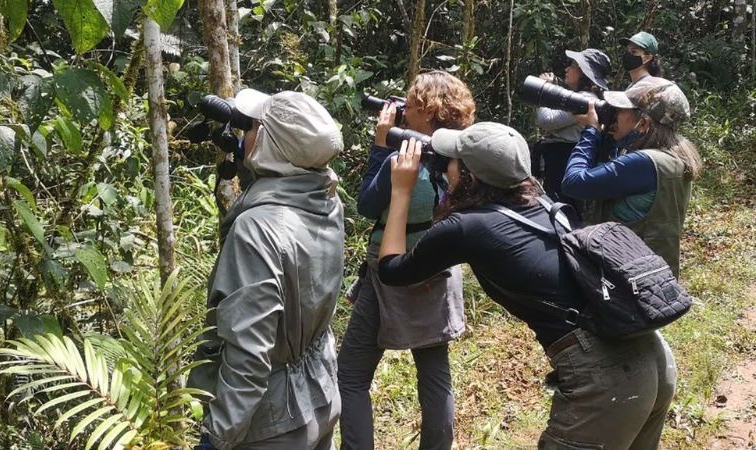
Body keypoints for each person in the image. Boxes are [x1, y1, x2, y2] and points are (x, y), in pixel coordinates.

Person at [377, 123, 677, 450]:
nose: (445, 165)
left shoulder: (466, 227)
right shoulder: (544, 203)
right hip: (651, 354)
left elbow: (392, 271)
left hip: (609, 374)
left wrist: (401, 191)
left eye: (452, 160)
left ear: (470, 177)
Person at [188, 89, 345, 450]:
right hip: (319, 394)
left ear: (271, 146)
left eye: (254, 126)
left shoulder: (256, 230)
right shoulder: (326, 200)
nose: (245, 133)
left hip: (271, 425)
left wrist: (217, 437)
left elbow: (249, 352)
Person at [337, 71, 475, 450]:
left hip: (389, 274)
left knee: (350, 375)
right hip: (437, 269)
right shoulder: (461, 161)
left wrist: (381, 145)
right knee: (434, 375)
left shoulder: (404, 159)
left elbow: (367, 205)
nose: (404, 110)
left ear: (428, 113)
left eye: (411, 104)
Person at [562, 77, 702, 275]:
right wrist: (607, 138)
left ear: (643, 123)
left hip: (627, 278)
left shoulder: (643, 163)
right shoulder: (672, 155)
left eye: (620, 111)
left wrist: (591, 132)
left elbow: (573, 183)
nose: (614, 114)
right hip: (653, 273)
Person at [531, 48, 611, 212]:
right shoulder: (581, 97)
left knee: (564, 210)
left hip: (565, 159)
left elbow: (546, 120)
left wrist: (542, 89)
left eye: (573, 66)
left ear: (584, 73)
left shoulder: (585, 100)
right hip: (561, 159)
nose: (567, 69)